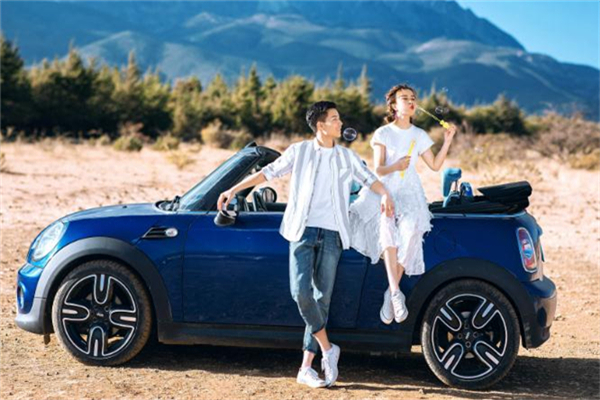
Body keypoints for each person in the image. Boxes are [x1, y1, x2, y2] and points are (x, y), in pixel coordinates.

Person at [217, 101, 394, 388]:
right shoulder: (299, 151)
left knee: (322, 300)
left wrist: (385, 194)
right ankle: (328, 347)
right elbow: (268, 172)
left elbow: (370, 180)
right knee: (300, 292)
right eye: (335, 119)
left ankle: (306, 367)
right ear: (321, 125)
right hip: (302, 232)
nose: (340, 123)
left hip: (334, 234)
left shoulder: (347, 157)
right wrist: (233, 188)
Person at [349, 84, 457, 324]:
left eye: (413, 98)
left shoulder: (419, 134)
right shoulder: (383, 133)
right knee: (387, 230)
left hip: (409, 191)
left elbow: (435, 166)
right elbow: (378, 169)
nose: (410, 101)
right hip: (386, 188)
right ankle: (397, 294)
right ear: (394, 105)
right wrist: (396, 165)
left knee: (410, 235)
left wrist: (447, 141)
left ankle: (391, 292)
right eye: (404, 98)